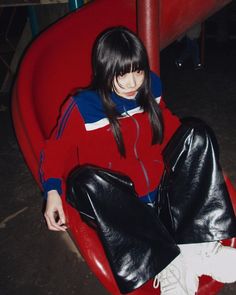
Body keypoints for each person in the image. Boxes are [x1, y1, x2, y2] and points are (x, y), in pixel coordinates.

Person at [39, 26, 236, 294]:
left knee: (196, 134)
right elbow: (56, 149)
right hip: (122, 207)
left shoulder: (150, 87)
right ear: (105, 71)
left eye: (138, 71)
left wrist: (202, 161)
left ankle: (197, 248)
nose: (133, 83)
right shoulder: (83, 107)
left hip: (161, 193)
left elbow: (169, 128)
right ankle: (166, 264)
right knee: (84, 180)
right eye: (122, 75)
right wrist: (52, 191)